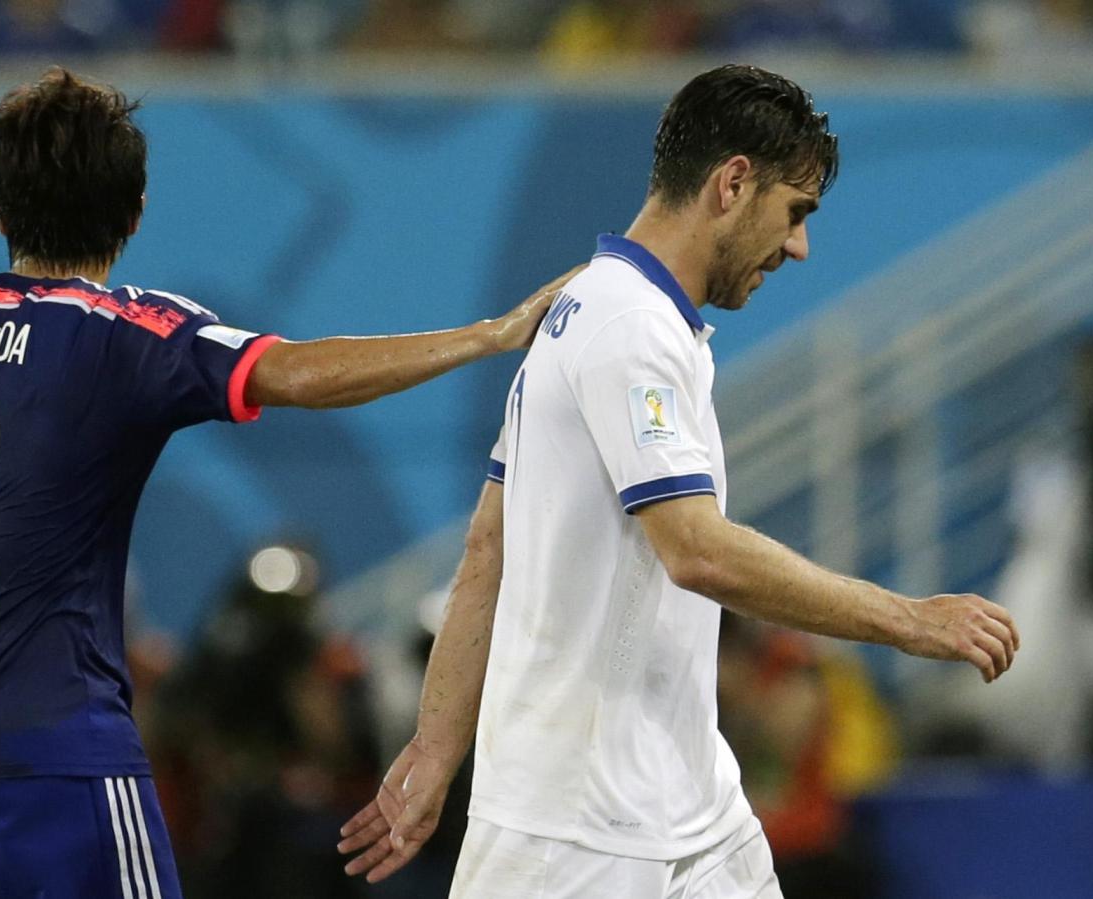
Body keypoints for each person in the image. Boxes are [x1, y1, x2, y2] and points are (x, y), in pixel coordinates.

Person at [0, 67, 568, 899]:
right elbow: (295, 372)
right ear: (134, 212)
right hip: (57, 764)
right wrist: (488, 334)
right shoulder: (122, 333)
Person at [338, 64, 1020, 898]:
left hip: (691, 808)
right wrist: (909, 619)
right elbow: (696, 551)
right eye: (795, 211)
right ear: (733, 183)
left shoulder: (595, 308)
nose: (799, 247)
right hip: (573, 836)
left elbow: (489, 546)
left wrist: (437, 745)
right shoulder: (628, 327)